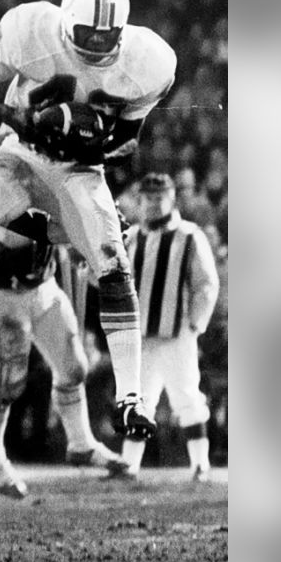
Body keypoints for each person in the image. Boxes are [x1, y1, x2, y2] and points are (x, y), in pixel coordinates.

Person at [0, 0, 177, 443]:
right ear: (65, 24)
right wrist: (21, 120)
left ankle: (130, 396)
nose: (97, 46)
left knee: (113, 262)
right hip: (20, 150)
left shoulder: (149, 60)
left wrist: (87, 137)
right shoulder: (29, 27)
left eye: (107, 37)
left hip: (80, 166)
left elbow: (127, 140)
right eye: (87, 35)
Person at [0, 209, 129, 498]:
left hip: (45, 287)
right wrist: (75, 225)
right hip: (6, 294)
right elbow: (14, 236)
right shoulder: (7, 180)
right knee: (9, 383)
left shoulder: (54, 178)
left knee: (74, 368)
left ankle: (81, 443)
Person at [117, 173, 221, 481]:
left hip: (177, 333)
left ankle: (200, 464)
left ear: (171, 198)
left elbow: (206, 284)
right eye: (147, 198)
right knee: (138, 400)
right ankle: (128, 465)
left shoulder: (189, 235)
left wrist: (194, 323)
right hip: (140, 335)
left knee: (187, 395)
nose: (152, 203)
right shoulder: (131, 236)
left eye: (158, 198)